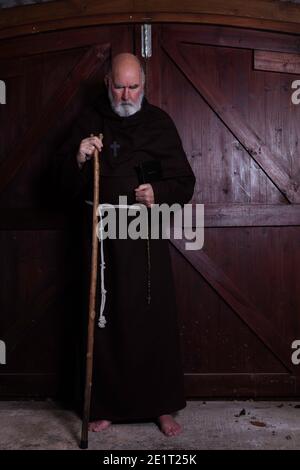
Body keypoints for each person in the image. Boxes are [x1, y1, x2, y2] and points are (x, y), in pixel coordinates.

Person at [53, 53, 195, 437]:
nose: (127, 94)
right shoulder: (89, 122)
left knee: (153, 325)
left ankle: (161, 407)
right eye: (120, 85)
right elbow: (58, 187)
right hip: (102, 245)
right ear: (106, 82)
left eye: (134, 86)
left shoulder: (160, 123)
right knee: (106, 324)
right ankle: (107, 406)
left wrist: (159, 192)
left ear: (143, 85)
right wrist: (78, 158)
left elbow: (185, 182)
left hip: (144, 243)